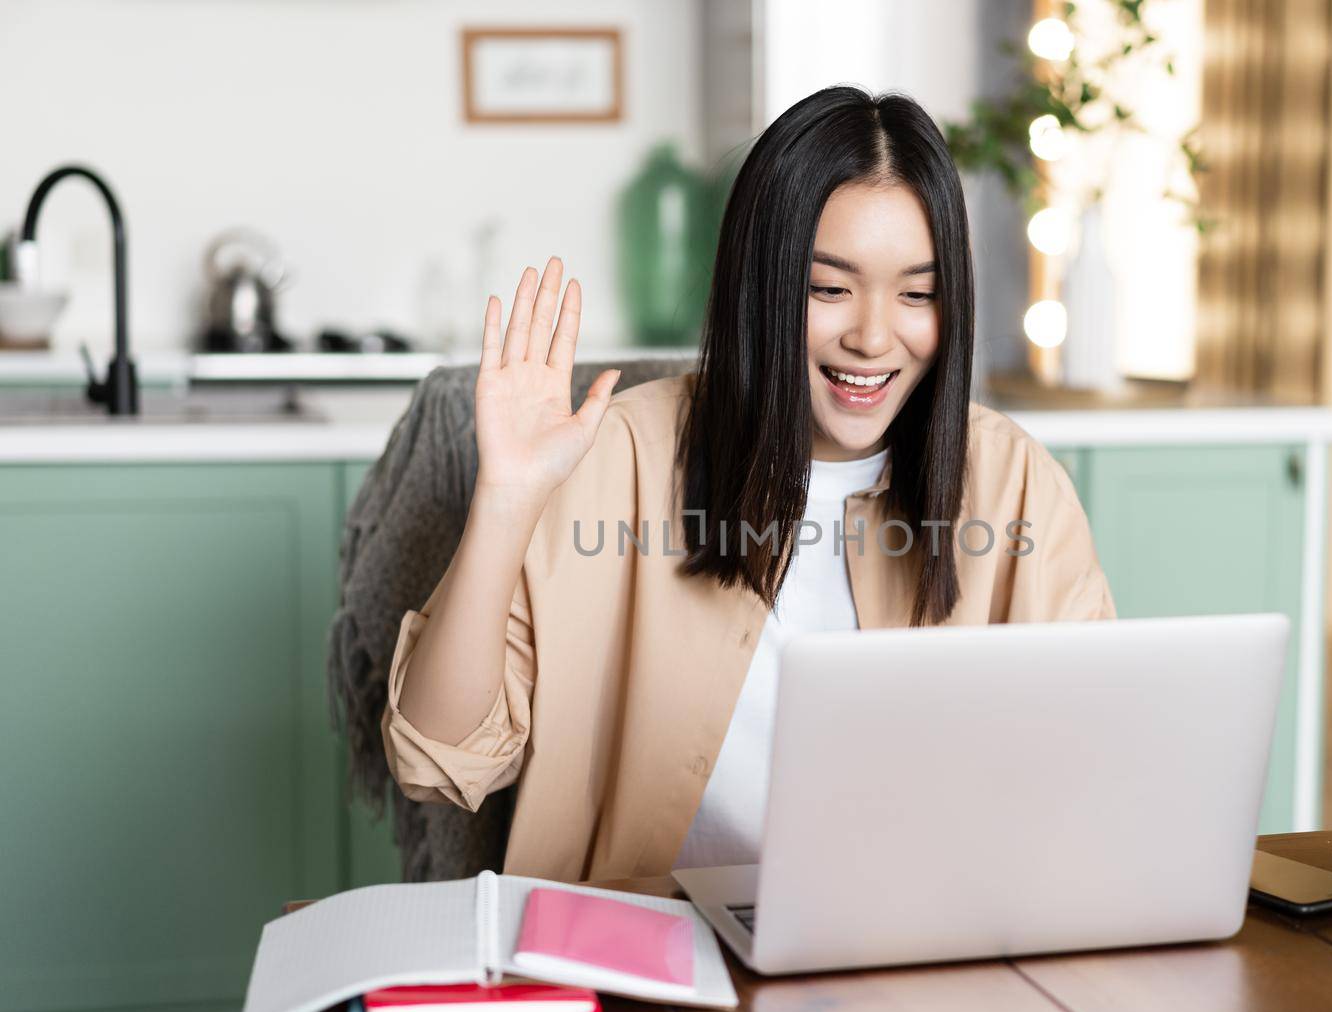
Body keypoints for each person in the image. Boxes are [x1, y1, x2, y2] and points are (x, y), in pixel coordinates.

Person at [382, 86, 1115, 882]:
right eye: (829, 288)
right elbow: (439, 756)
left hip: (915, 961)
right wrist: (506, 502)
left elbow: (1095, 780)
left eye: (917, 293)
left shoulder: (1016, 485)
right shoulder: (619, 456)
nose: (874, 337)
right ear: (758, 287)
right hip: (649, 958)